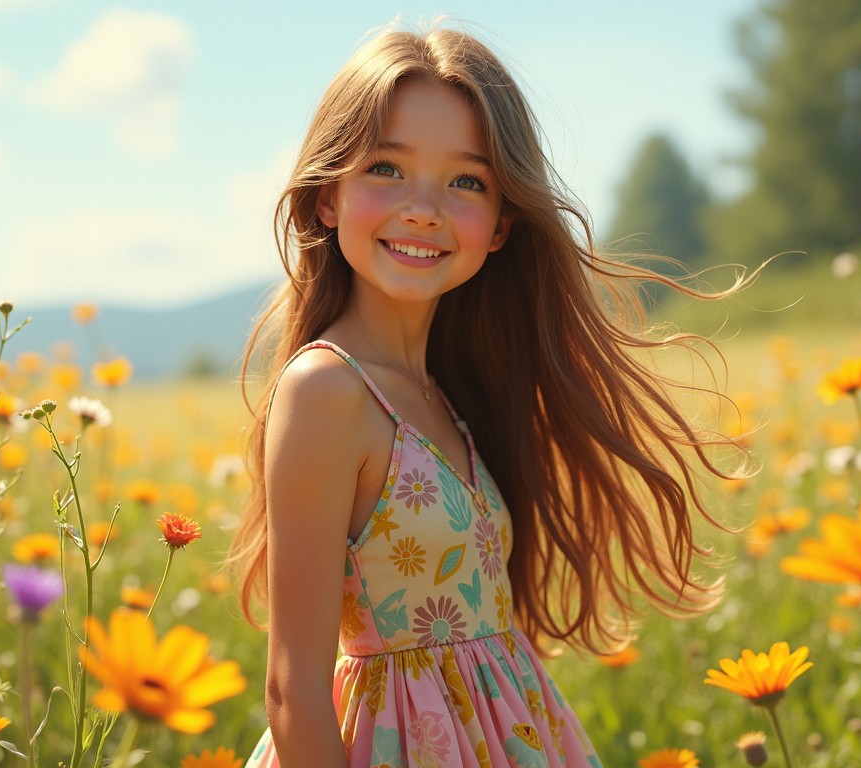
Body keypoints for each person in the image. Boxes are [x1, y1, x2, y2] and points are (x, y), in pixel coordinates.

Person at [230, 19, 750, 768]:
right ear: (326, 198)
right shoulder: (326, 390)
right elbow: (291, 690)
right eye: (385, 168)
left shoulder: (441, 394)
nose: (424, 208)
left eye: (466, 181)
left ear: (502, 224)